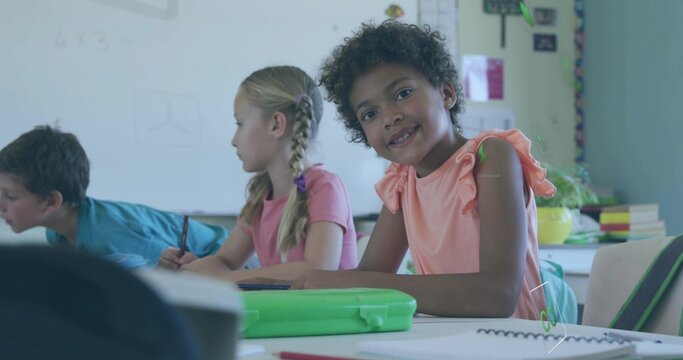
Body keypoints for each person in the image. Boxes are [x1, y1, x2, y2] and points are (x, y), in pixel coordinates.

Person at [268, 21, 557, 318]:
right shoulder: (402, 183)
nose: (389, 118)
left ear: (445, 93)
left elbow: (498, 296)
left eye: (402, 93)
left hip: (518, 343)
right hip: (446, 343)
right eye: (370, 114)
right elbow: (369, 277)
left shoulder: (490, 157)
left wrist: (347, 279)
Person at [160, 65, 357, 281]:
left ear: (276, 125)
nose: (233, 140)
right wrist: (196, 267)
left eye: (240, 124)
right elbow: (225, 261)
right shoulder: (260, 196)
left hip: (329, 315)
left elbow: (317, 271)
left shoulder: (325, 188)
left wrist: (226, 278)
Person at [0, 125, 228, 267]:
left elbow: (164, 279)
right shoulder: (57, 233)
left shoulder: (108, 234)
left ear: (51, 202)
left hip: (230, 263)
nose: (1, 206)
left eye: (9, 196)